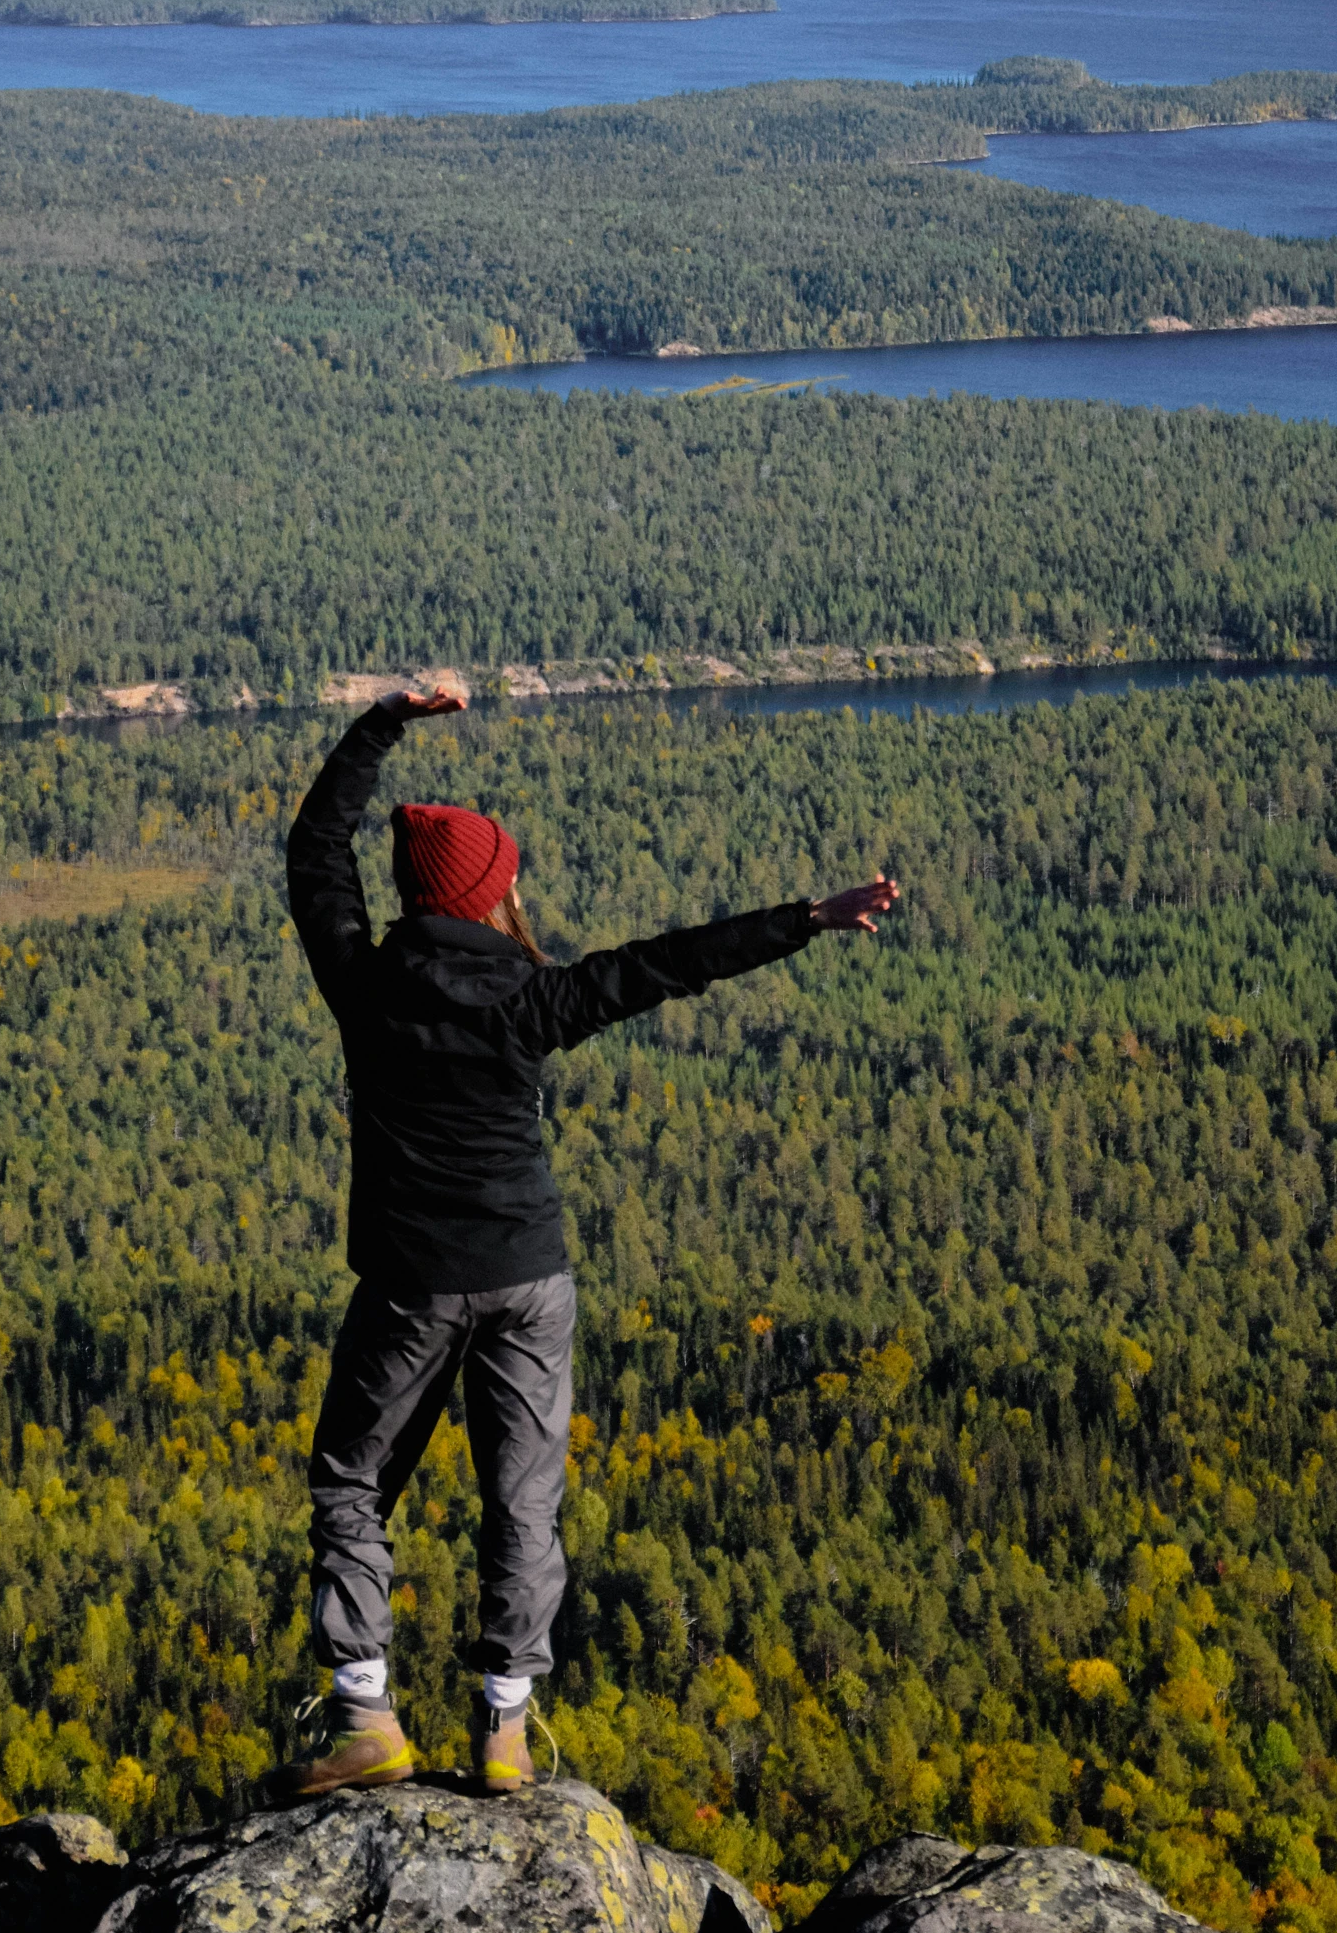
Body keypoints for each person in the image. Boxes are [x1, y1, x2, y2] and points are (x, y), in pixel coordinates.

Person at [276, 683, 900, 1800]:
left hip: (413, 1283)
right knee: (522, 1503)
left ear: (414, 895)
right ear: (489, 896)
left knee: (351, 1481)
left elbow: (315, 852)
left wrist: (379, 725)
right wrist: (806, 917)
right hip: (529, 1276)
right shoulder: (533, 999)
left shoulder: (363, 983)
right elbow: (667, 962)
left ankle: (365, 1714)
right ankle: (505, 1732)